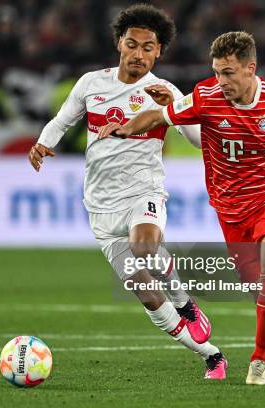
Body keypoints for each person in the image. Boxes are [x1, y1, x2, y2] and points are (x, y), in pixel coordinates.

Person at [98, 31, 265, 385]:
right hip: (231, 212)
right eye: (217, 72)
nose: (222, 81)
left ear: (251, 69)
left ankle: (259, 362)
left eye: (230, 73)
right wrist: (125, 129)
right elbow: (158, 116)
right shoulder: (206, 96)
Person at [28, 4, 227, 380]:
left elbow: (201, 142)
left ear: (159, 52)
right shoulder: (91, 84)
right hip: (101, 207)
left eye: (148, 47)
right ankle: (212, 355)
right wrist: (42, 143)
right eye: (132, 44)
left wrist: (177, 110)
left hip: (144, 192)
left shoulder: (164, 90)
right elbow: (62, 119)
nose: (139, 54)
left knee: (145, 249)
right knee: (145, 291)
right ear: (119, 43)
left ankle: (185, 302)